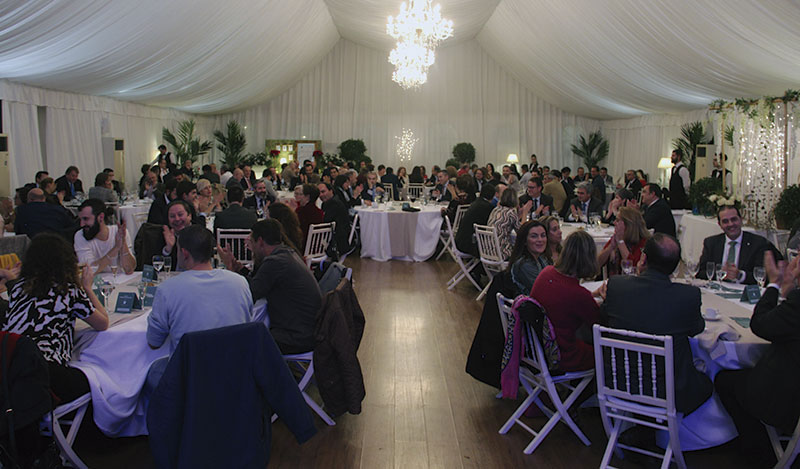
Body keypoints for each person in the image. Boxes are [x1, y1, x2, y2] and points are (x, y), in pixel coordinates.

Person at [604, 233, 712, 415]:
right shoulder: (687, 296)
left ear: (644, 258)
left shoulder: (617, 286)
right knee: (709, 376)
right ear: (676, 266)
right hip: (670, 390)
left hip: (619, 382)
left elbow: (604, 316)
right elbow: (697, 329)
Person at [714, 251, 800, 465]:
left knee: (725, 380)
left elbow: (760, 324)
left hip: (789, 398)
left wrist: (774, 285)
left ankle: (761, 454)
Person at [2, 233, 108, 402]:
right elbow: (103, 323)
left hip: (9, 370)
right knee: (100, 380)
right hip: (45, 373)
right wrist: (87, 287)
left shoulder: (18, 288)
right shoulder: (67, 290)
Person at [145, 225, 253, 389]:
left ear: (184, 253)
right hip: (236, 371)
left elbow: (154, 342)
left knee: (151, 372)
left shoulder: (168, 289)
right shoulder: (240, 282)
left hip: (190, 376)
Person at [219, 219, 322, 354]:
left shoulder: (275, 262)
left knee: (240, 339)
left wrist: (230, 269)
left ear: (260, 241)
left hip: (296, 337)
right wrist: (239, 269)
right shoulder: (287, 254)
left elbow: (250, 295)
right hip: (309, 331)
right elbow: (260, 283)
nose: (252, 249)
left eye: (252, 243)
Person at [531, 231, 603, 372]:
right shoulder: (578, 294)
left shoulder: (546, 273)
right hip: (564, 355)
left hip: (538, 349)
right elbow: (600, 324)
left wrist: (591, 296)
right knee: (608, 353)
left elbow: (563, 300)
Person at [696, 205, 782, 284]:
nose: (730, 224)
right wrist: (721, 274)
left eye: (734, 219)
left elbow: (764, 276)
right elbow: (700, 273)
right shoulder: (711, 243)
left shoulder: (758, 243)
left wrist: (740, 275)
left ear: (741, 220)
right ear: (720, 224)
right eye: (725, 221)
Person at [74, 199, 135, 274]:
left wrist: (123, 244)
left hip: (120, 280)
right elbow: (89, 270)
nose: (81, 224)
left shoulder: (118, 232)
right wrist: (116, 248)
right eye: (80, 219)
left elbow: (129, 269)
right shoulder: (80, 236)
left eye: (86, 219)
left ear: (101, 217)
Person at [598, 206, 650, 277]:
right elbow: (597, 264)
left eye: (617, 220)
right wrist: (610, 247)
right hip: (615, 280)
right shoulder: (618, 236)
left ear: (628, 224)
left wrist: (620, 242)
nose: (614, 222)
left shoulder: (644, 242)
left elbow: (634, 268)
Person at [507, 220, 552, 296]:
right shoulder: (524, 265)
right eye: (534, 236)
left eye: (543, 235)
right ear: (525, 241)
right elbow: (543, 291)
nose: (540, 240)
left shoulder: (541, 258)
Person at [487, 187, 532, 260]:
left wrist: (519, 214)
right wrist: (525, 212)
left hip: (489, 251)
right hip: (502, 253)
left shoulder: (496, 210)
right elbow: (522, 232)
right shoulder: (510, 213)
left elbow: (510, 221)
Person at [455, 184, 497, 257]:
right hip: (468, 244)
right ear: (493, 196)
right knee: (495, 248)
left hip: (460, 240)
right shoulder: (487, 207)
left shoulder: (477, 202)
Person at [318, 182, 351, 257]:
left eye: (323, 192)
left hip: (337, 243)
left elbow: (325, 222)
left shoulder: (334, 204)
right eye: (319, 193)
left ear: (331, 191)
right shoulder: (328, 202)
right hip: (334, 239)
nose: (321, 195)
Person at [295, 183, 324, 248]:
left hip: (303, 245)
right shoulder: (319, 212)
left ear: (307, 197)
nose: (296, 196)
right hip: (316, 246)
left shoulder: (301, 211)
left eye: (301, 194)